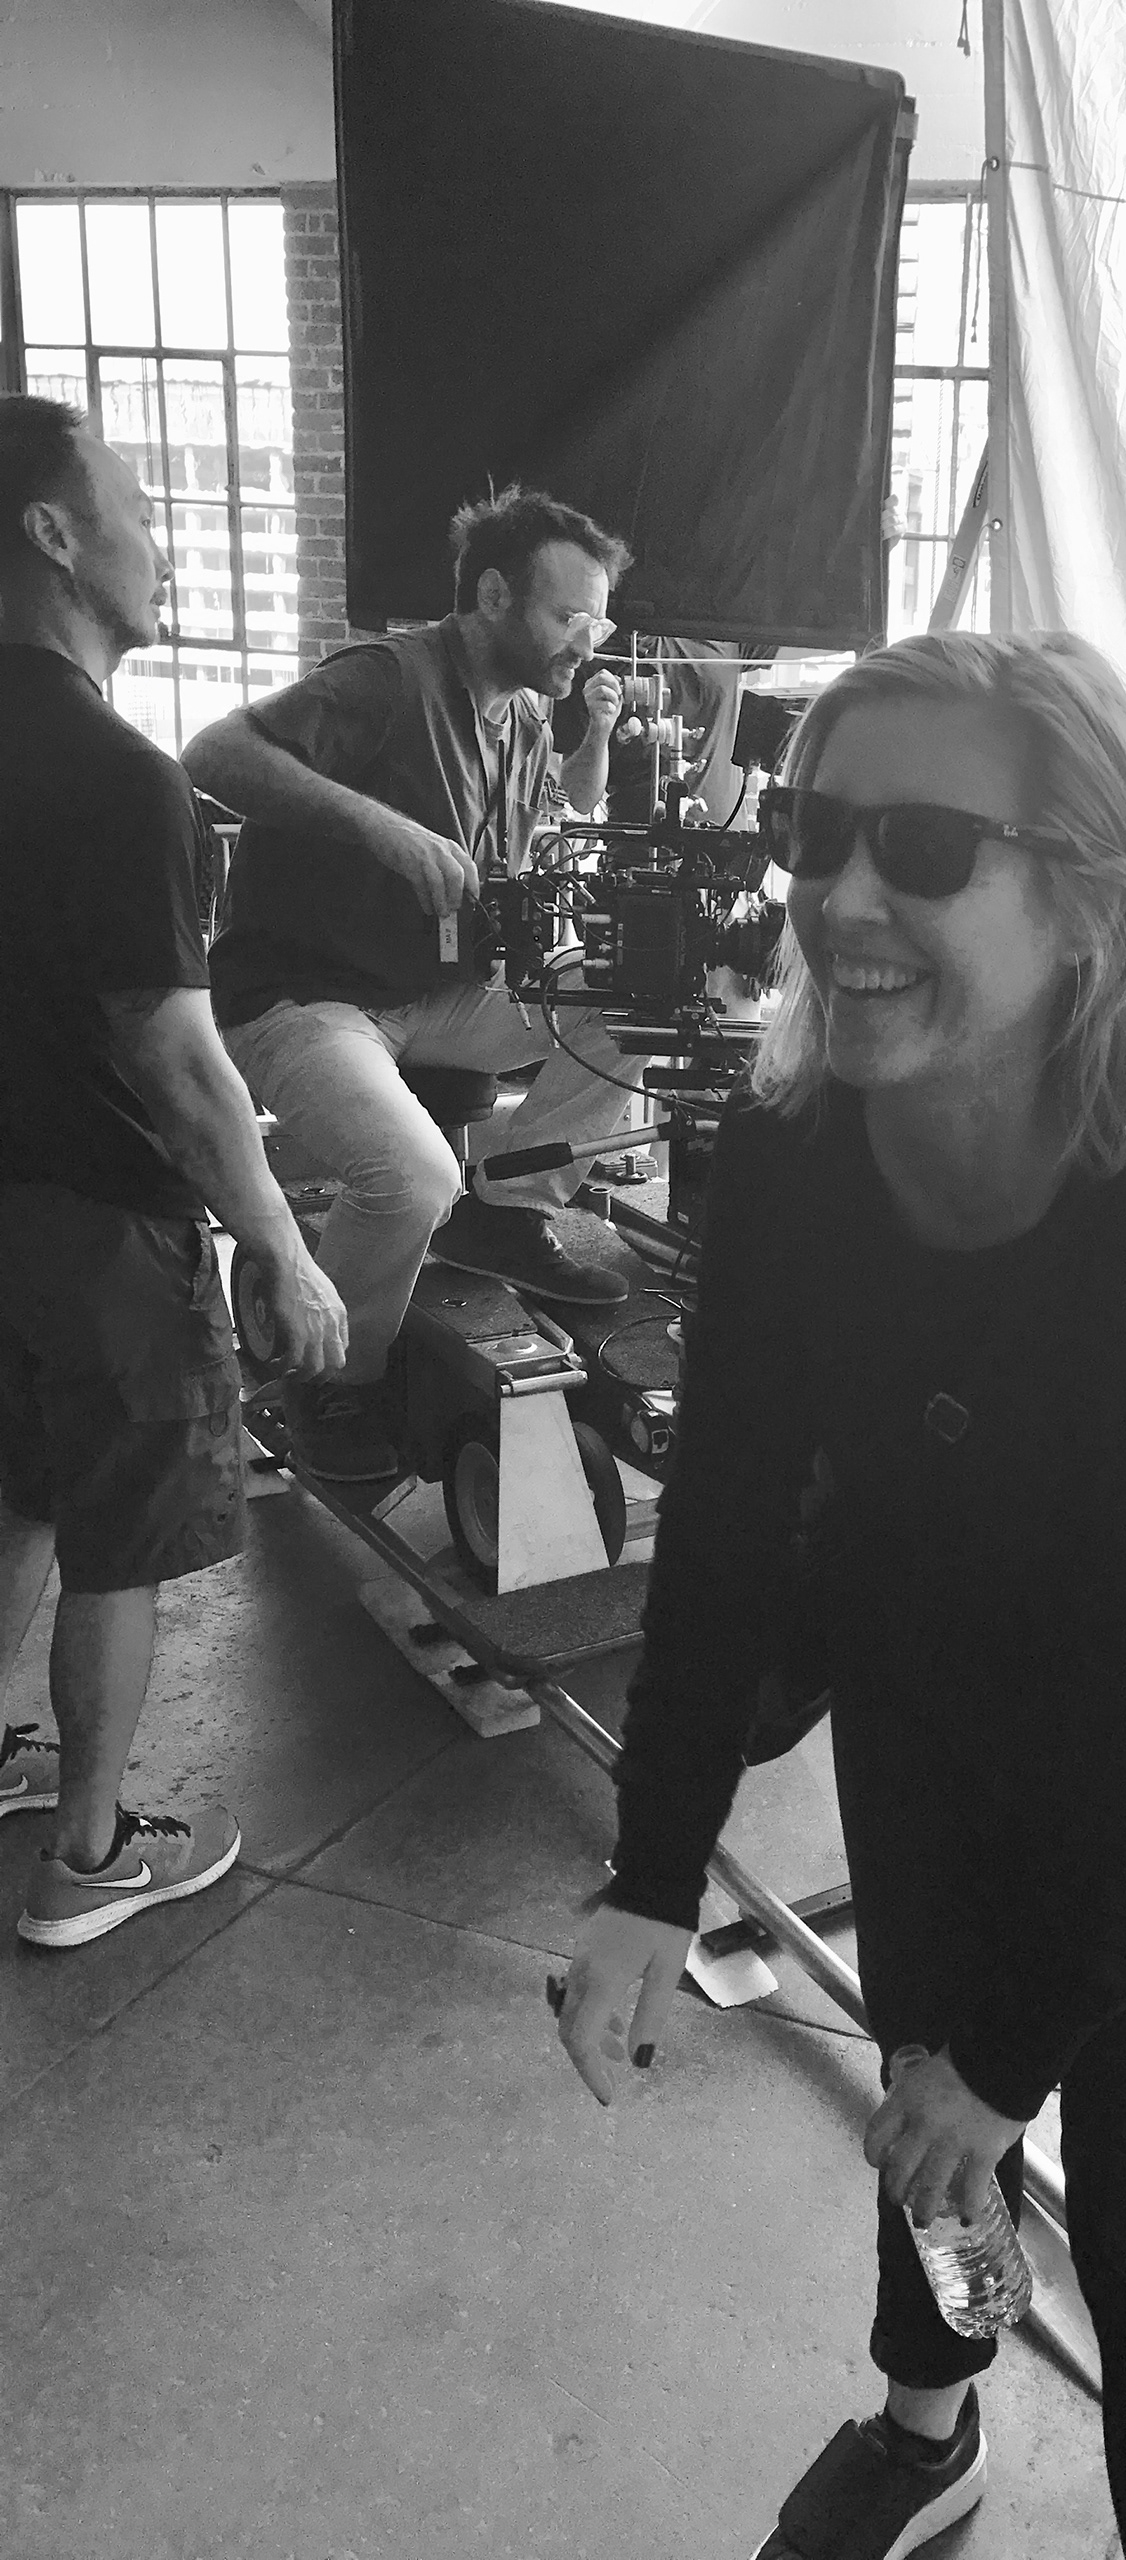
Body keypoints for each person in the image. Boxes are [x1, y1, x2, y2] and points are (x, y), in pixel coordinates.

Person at [556, 632, 1126, 2559]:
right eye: (816, 835)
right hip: (924, 1707)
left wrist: (1016, 2052)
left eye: (923, 848)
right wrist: (652, 1874)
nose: (839, 899)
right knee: (924, 2130)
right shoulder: (792, 1158)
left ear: (1090, 905)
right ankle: (930, 2427)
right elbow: (726, 1535)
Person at [0, 396, 346, 1948]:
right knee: (121, 1542)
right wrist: (278, 1239)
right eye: (136, 507)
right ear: (55, 536)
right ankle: (87, 1858)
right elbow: (179, 1059)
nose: (160, 542)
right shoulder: (116, 774)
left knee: (16, 1498)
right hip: (99, 1228)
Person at [184, 487, 643, 1485]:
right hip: (303, 998)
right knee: (413, 1175)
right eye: (570, 617)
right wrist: (379, 826)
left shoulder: (525, 718)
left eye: (598, 624)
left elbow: (509, 858)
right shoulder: (390, 679)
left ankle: (505, 1206)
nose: (586, 644)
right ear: (493, 596)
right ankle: (331, 1379)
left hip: (436, 996)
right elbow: (213, 753)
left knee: (637, 1001)